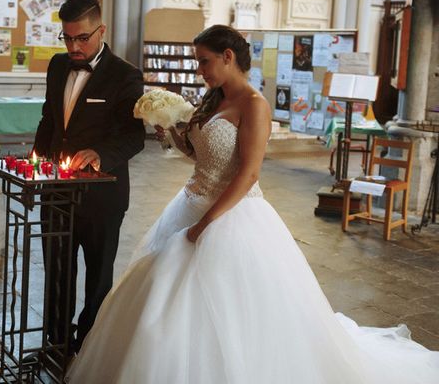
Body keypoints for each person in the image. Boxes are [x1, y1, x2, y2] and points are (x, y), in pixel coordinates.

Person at [66, 25, 439, 383]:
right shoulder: (214, 99)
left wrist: (205, 223)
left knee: (234, 311)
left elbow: (248, 174)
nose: (200, 70)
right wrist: (173, 134)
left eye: (204, 61)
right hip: (191, 201)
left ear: (228, 56)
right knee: (166, 302)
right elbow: (199, 155)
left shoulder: (255, 105)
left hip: (231, 215)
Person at [33, 0, 145, 355]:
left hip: (102, 197)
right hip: (56, 188)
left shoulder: (125, 75)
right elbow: (49, 120)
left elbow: (133, 136)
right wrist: (37, 165)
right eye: (67, 38)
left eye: (82, 38)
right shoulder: (56, 66)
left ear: (101, 30)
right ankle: (56, 340)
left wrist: (101, 154)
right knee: (58, 272)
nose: (74, 46)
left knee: (97, 277)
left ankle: (89, 346)